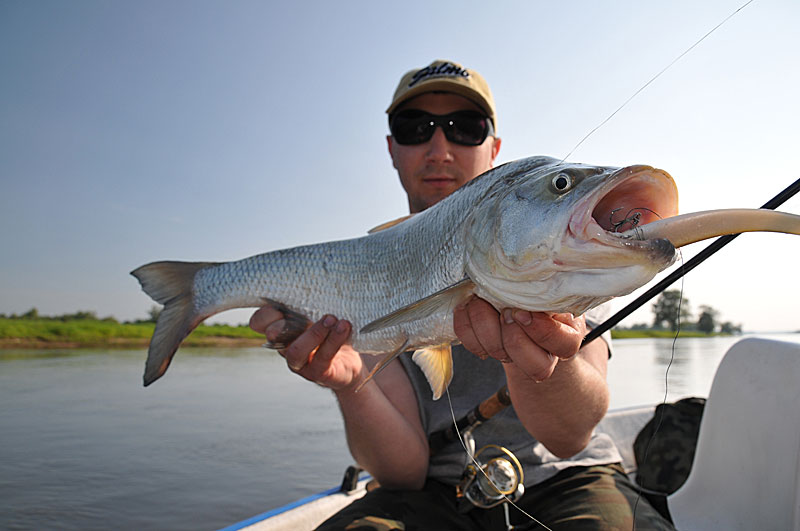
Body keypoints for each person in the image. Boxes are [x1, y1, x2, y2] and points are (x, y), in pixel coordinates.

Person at [249, 60, 674, 530]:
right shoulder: (366, 273)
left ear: (494, 148)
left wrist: (541, 352)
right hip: (433, 491)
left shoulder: (569, 256)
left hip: (569, 477)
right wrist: (350, 383)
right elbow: (403, 474)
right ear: (391, 149)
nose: (439, 149)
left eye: (465, 128)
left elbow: (569, 438)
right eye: (414, 128)